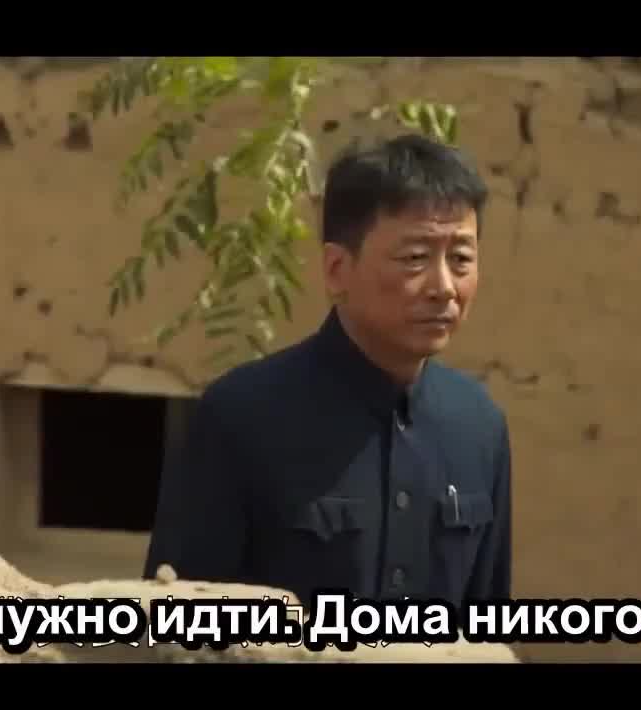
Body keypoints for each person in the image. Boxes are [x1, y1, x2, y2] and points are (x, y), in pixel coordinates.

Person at [143, 133, 510, 611]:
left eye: (460, 259)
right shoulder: (240, 418)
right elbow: (176, 622)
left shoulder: (479, 428)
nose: (443, 287)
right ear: (337, 269)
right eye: (415, 258)